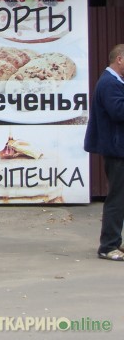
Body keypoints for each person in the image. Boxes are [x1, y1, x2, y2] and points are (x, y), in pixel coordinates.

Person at [84, 44, 124, 261]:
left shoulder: (115, 81)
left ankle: (115, 241)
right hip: (117, 150)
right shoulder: (109, 83)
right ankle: (108, 246)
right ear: (119, 59)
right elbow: (118, 112)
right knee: (117, 199)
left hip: (118, 148)